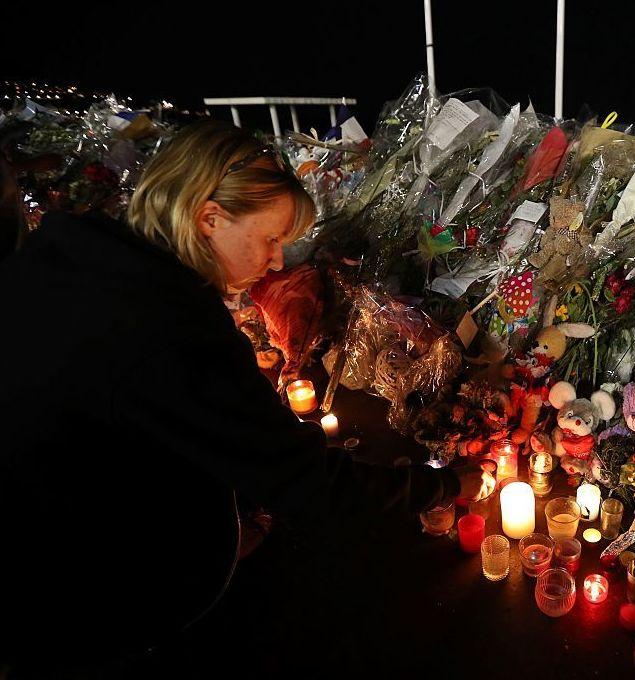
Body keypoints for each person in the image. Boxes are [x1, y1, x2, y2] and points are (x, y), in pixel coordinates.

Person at [0, 120, 483, 675]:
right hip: (93, 595)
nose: (278, 261)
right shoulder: (167, 326)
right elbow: (303, 483)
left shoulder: (73, 252)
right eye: (270, 238)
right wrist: (441, 484)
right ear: (210, 219)